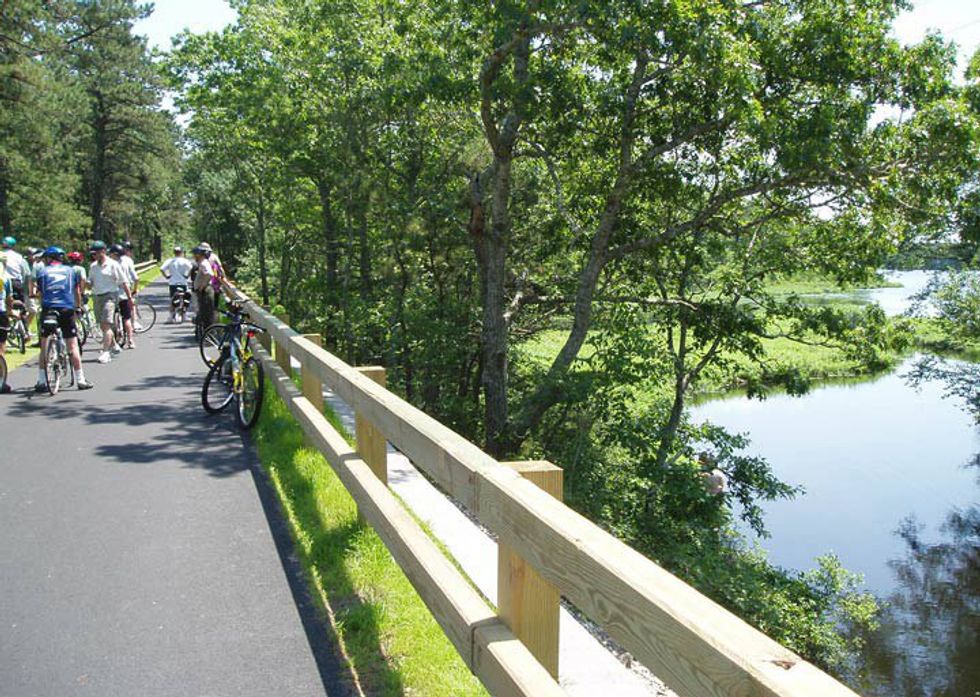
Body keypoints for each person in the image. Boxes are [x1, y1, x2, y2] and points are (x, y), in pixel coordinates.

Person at [34, 246, 92, 391]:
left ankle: (41, 381)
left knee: (44, 345)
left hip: (48, 308)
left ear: (49, 258)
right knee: (72, 345)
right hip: (66, 308)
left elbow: (39, 292)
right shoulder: (70, 270)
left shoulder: (42, 271)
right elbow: (76, 291)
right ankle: (81, 380)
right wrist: (78, 307)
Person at [87, 241, 131, 364]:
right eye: (93, 254)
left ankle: (106, 352)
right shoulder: (93, 266)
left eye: (96, 253)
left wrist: (129, 298)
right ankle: (114, 344)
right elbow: (90, 282)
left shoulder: (113, 265)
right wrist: (85, 283)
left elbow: (123, 282)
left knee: (106, 324)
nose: (94, 256)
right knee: (102, 325)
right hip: (97, 296)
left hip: (110, 296)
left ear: (103, 251)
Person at [2, 236, 35, 344]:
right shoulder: (19, 257)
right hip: (16, 283)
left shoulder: (1, 255)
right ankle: (25, 332)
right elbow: (26, 274)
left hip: (2, 281)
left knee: (3, 306)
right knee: (21, 308)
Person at [109, 244, 137, 349]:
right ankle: (130, 340)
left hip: (112, 293)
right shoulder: (128, 261)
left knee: (111, 318)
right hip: (125, 292)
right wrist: (133, 291)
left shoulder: (109, 263)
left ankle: (113, 341)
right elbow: (135, 277)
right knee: (127, 318)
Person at [160, 245, 193, 322]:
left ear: (174, 253)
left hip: (173, 283)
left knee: (173, 299)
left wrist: (166, 276)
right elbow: (191, 268)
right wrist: (187, 275)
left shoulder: (170, 261)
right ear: (181, 252)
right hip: (183, 282)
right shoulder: (185, 261)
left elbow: (162, 269)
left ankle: (171, 317)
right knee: (185, 299)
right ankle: (184, 315)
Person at [119, 240, 142, 333]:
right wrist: (135, 289)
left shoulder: (112, 259)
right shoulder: (128, 260)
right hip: (126, 286)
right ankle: (134, 323)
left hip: (114, 287)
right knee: (131, 304)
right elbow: (136, 277)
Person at [192, 245, 215, 331]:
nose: (194, 256)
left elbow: (209, 274)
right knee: (203, 313)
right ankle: (206, 332)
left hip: (205, 291)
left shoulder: (204, 263)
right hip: (203, 291)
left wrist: (202, 286)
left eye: (195, 254)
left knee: (206, 314)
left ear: (199, 254)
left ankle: (208, 333)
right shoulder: (202, 263)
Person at [0, 251, 12, 393]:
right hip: (1, 313)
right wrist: (11, 312)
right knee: (1, 347)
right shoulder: (6, 278)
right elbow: (9, 299)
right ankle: (2, 382)